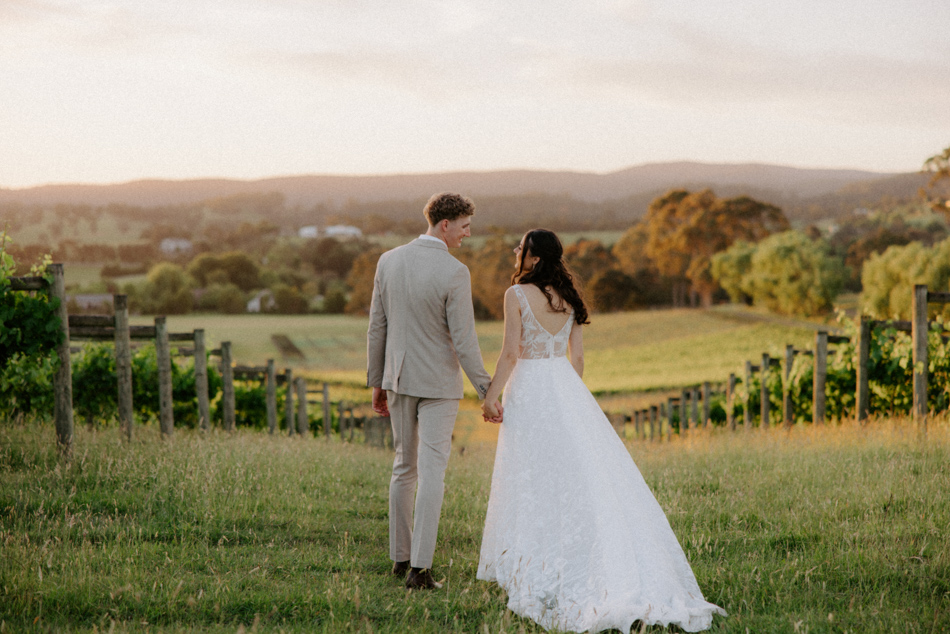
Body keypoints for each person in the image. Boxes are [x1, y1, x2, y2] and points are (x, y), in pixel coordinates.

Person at [477, 229, 726, 632]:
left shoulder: (516, 295)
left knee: (532, 476)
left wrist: (491, 395)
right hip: (564, 389)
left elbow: (510, 352)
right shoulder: (570, 299)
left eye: (519, 248)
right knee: (573, 476)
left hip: (530, 389)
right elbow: (577, 360)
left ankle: (536, 564)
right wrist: (569, 397)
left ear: (533, 255)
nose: (514, 252)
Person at [367, 192, 492, 590]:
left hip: (398, 379)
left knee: (404, 468)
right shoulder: (455, 272)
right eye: (464, 226)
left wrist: (377, 381)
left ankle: (400, 561)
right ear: (445, 224)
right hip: (438, 384)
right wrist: (486, 389)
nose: (466, 235)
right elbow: (465, 339)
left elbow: (377, 328)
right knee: (432, 471)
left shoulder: (388, 260)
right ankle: (420, 569)